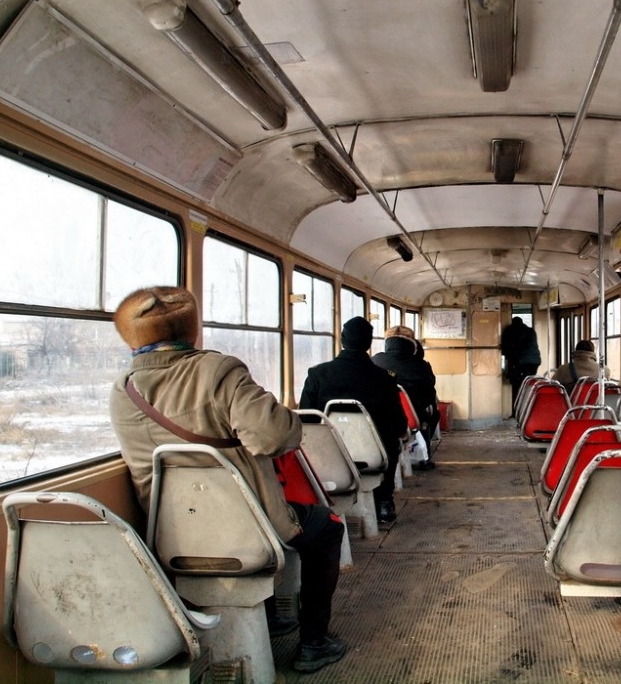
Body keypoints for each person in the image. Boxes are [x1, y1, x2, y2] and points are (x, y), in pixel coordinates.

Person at [108, 286, 346, 673]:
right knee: (327, 528)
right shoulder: (218, 371)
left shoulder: (123, 389)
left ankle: (271, 617)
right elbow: (273, 437)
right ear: (192, 329)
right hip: (249, 527)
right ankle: (314, 642)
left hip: (171, 535)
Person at [299, 316, 408, 525]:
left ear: (342, 339)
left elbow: (306, 420)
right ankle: (384, 502)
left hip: (329, 456)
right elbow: (398, 425)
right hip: (374, 457)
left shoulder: (317, 375)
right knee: (391, 440)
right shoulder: (384, 378)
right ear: (369, 343)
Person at [372, 325, 438, 470]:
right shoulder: (420, 365)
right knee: (432, 413)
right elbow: (429, 392)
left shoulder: (375, 361)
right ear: (412, 344)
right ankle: (424, 457)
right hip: (411, 418)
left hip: (379, 417)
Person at [500, 316, 541, 416]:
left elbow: (507, 348)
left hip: (521, 363)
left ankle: (517, 412)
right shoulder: (531, 331)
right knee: (528, 385)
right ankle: (528, 411)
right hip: (534, 363)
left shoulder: (511, 331)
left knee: (517, 387)